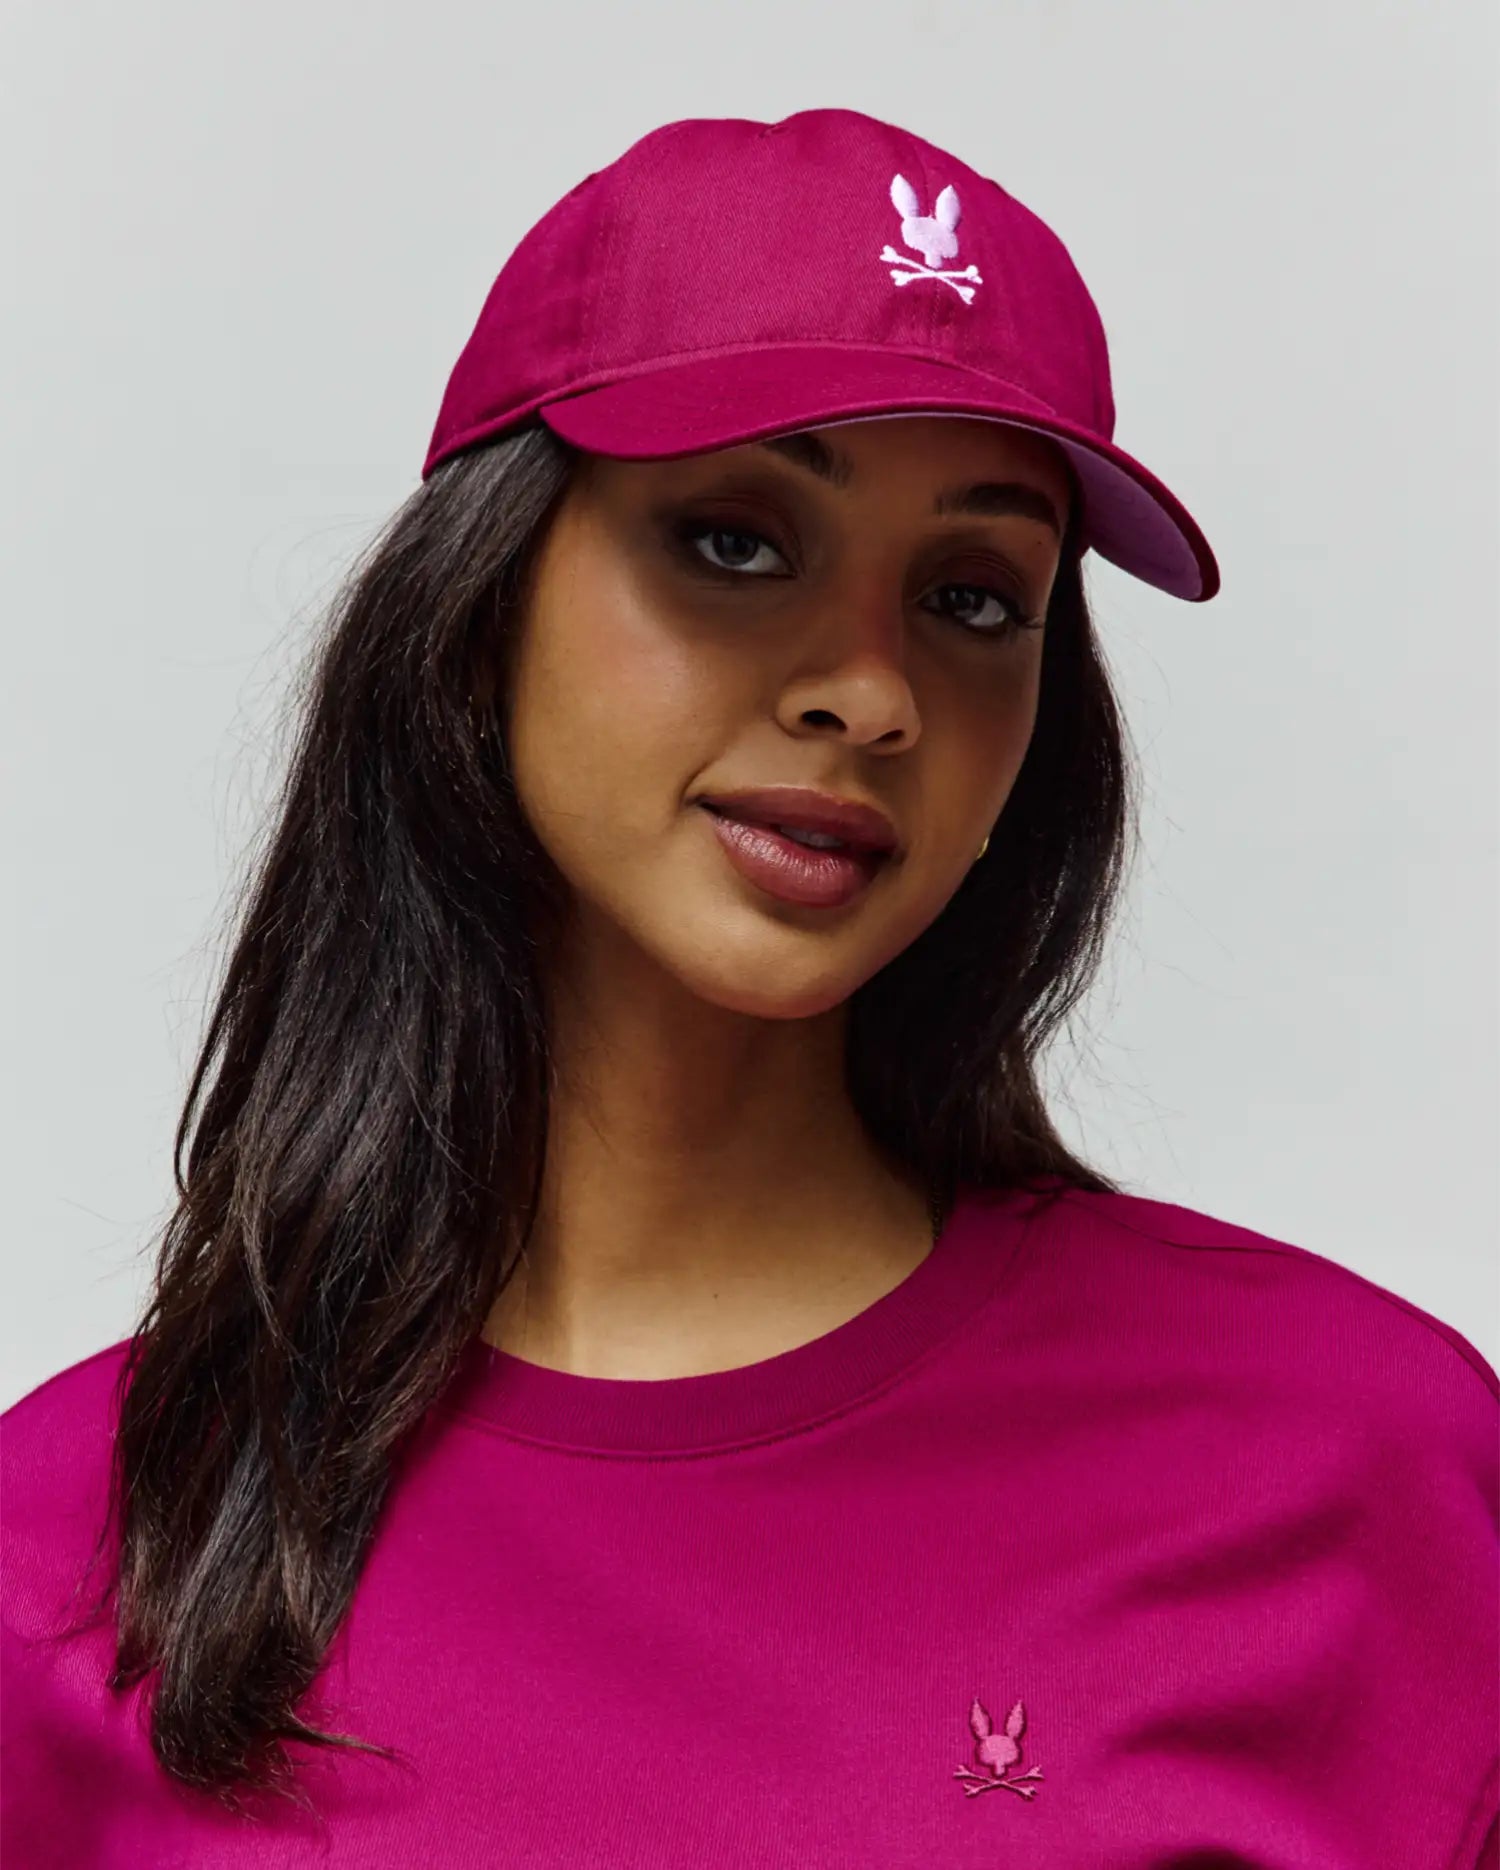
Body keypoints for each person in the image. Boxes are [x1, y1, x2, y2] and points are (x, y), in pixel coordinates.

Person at [2, 107, 1495, 1868]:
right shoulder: (78, 1535)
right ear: (479, 613)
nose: (869, 694)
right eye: (736, 542)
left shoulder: (1356, 1461)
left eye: (972, 594)